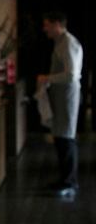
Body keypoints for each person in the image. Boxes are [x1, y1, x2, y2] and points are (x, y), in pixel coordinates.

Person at [37, 11, 82, 197]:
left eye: (47, 24)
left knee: (66, 139)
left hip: (67, 96)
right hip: (61, 96)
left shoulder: (69, 43)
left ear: (57, 24)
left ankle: (69, 181)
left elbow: (72, 74)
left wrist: (48, 78)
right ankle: (65, 179)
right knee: (61, 138)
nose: (44, 29)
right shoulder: (61, 42)